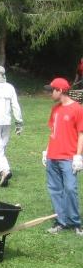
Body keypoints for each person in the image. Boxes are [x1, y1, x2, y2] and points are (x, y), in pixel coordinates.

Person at [43, 77, 83, 235]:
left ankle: (75, 222)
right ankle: (61, 221)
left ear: (60, 91)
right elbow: (53, 132)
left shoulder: (77, 109)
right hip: (53, 156)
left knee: (70, 189)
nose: (49, 94)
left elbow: (81, 134)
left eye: (51, 90)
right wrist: (46, 151)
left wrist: (78, 156)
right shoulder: (55, 109)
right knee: (55, 190)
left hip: (68, 157)